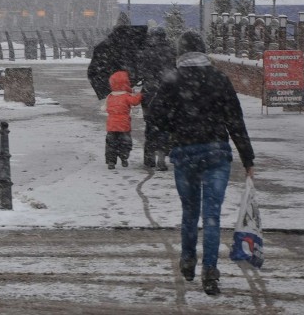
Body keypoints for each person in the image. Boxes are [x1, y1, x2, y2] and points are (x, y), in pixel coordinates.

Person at [148, 30, 255, 296]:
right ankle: (210, 270)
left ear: (180, 53)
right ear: (204, 51)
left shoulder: (172, 80)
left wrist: (172, 131)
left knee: (189, 212)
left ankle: (187, 259)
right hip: (217, 153)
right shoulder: (219, 78)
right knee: (212, 216)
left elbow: (155, 116)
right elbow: (235, 120)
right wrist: (247, 158)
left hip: (185, 153)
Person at [138, 27, 176, 170]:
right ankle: (162, 156)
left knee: (150, 125)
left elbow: (140, 71)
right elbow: (174, 70)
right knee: (164, 127)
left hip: (149, 94)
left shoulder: (146, 51)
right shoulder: (171, 50)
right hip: (166, 94)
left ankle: (149, 158)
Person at [87, 12, 148, 99]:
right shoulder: (136, 40)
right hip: (129, 80)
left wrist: (104, 90)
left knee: (117, 107)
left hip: (114, 82)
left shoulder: (107, 45)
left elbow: (93, 71)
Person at [104, 70, 142, 169]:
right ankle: (124, 158)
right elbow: (135, 102)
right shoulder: (126, 96)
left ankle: (111, 161)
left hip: (111, 125)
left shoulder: (110, 96)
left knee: (111, 144)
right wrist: (139, 94)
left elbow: (107, 108)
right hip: (123, 125)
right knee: (125, 143)